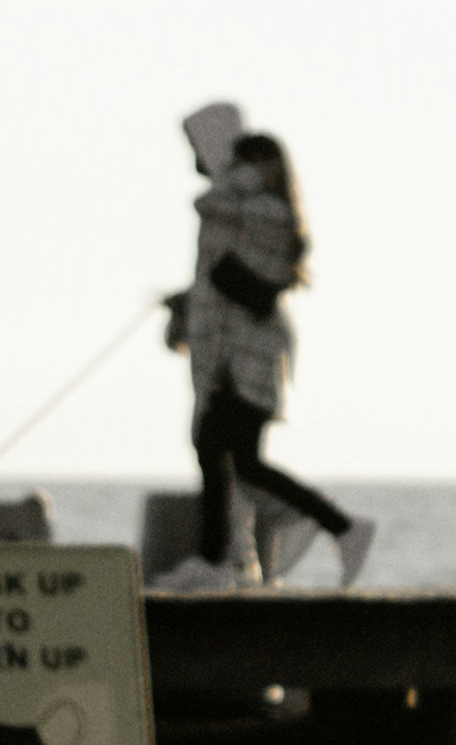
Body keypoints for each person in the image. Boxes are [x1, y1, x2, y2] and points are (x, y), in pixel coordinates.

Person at [154, 108, 376, 593]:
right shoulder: (258, 212)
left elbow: (215, 218)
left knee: (221, 454)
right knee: (233, 459)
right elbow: (226, 269)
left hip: (245, 360)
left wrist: (232, 180)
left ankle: (321, 531)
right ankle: (325, 531)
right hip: (235, 360)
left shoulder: (258, 209)